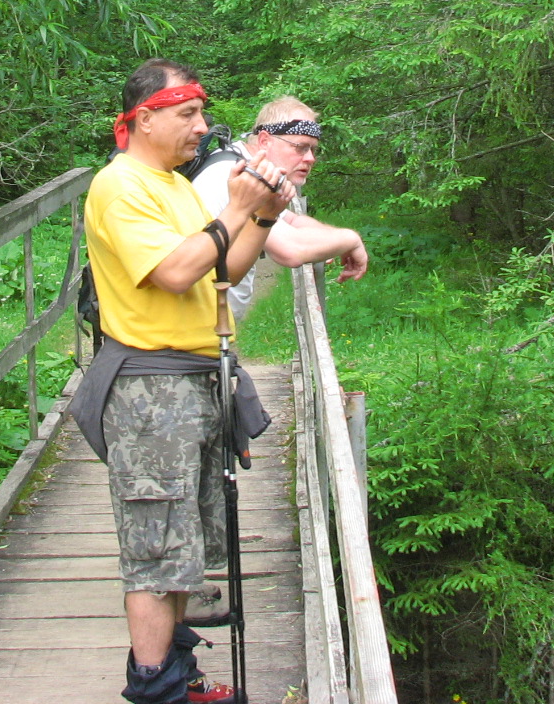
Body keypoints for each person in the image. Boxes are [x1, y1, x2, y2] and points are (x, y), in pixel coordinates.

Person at [71, 59, 294, 704]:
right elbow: (173, 272)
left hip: (193, 380)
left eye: (201, 113)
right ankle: (156, 689)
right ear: (145, 118)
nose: (203, 126)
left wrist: (263, 215)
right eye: (188, 113)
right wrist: (236, 206)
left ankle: (178, 676)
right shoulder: (120, 186)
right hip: (149, 387)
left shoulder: (175, 185)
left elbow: (223, 269)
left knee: (181, 547)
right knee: (154, 549)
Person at [190, 96, 368, 319]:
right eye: (300, 148)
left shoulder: (240, 163)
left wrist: (328, 241)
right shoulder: (238, 175)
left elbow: (290, 221)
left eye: (313, 149)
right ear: (265, 141)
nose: (310, 158)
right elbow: (291, 250)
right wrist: (351, 239)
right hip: (197, 325)